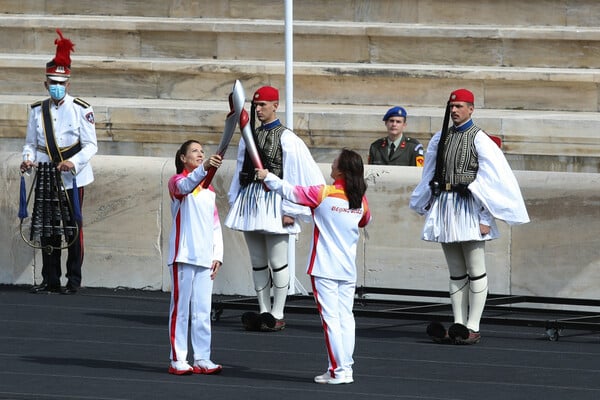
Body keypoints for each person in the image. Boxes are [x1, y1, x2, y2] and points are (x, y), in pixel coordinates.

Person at [409, 89, 529, 345]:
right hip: (446, 206)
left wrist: (486, 217)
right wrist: (426, 203)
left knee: (475, 269)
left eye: (460, 106)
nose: (454, 111)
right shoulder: (440, 137)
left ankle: (473, 324)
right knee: (455, 272)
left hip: (470, 207)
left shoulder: (480, 139)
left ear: (471, 109)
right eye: (452, 106)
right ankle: (458, 323)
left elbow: (491, 179)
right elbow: (429, 173)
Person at [256, 148, 371, 384]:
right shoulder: (361, 201)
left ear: (342, 169)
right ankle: (341, 368)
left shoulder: (324, 193)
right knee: (345, 318)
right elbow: (363, 221)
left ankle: (340, 371)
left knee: (331, 320)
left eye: (335, 161)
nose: (331, 164)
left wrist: (267, 176)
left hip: (324, 267)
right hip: (347, 268)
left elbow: (290, 191)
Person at [225, 85, 325, 332]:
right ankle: (263, 310)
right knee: (258, 261)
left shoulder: (287, 138)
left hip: (275, 201)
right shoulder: (249, 136)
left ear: (275, 105)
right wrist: (235, 200)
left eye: (263, 105)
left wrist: (291, 209)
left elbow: (296, 175)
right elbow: (240, 170)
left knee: (278, 261)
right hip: (251, 202)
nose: (258, 109)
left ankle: (278, 312)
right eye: (256, 105)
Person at [20, 29, 97, 295]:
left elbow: (90, 145)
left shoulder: (81, 109)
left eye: (61, 83)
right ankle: (49, 278)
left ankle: (73, 279)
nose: (57, 86)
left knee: (72, 227)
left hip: (72, 178)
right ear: (45, 84)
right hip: (45, 173)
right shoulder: (36, 110)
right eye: (53, 82)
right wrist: (28, 160)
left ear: (68, 83)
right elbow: (30, 143)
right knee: (46, 226)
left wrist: (72, 163)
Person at [167, 140, 224, 375]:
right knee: (180, 309)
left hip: (203, 257)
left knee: (202, 310)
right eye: (194, 151)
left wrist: (217, 254)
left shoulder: (209, 191)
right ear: (183, 158)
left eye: (202, 151)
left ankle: (202, 357)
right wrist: (205, 169)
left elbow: (215, 225)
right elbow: (187, 185)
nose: (200, 154)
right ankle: (177, 358)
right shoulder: (177, 182)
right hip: (183, 254)